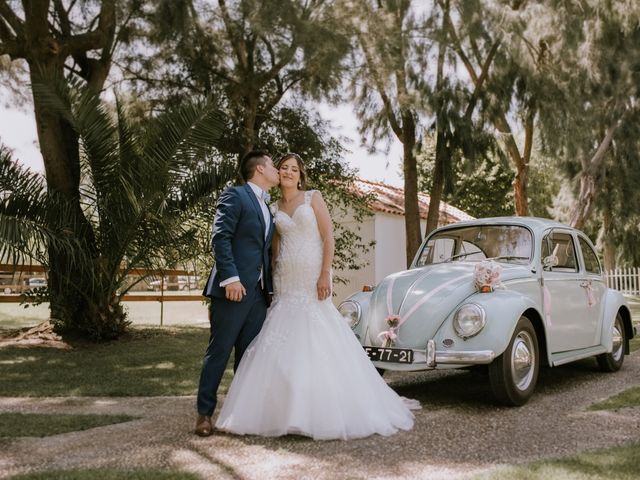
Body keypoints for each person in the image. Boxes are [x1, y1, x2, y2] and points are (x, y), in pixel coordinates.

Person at [215, 153, 416, 440]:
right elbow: (272, 249)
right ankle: (281, 411)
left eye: (293, 169)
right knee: (281, 336)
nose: (287, 172)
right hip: (286, 278)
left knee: (318, 333)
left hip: (312, 277)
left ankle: (324, 409)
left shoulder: (313, 198)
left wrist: (325, 273)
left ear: (300, 175)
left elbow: (328, 236)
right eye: (283, 167)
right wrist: (270, 282)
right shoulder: (272, 207)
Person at [195, 150, 280, 437]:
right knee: (219, 351)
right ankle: (204, 413)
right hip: (233, 289)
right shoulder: (235, 195)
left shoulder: (268, 207)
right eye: (273, 165)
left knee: (248, 356)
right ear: (259, 169)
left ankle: (241, 413)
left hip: (257, 293)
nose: (277, 170)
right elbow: (221, 236)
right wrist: (230, 278)